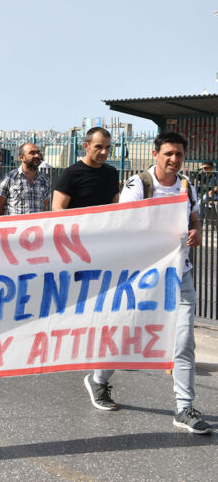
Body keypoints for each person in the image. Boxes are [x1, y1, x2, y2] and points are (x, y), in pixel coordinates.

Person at [83, 131, 211, 435]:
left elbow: (194, 218)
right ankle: (99, 379)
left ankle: (184, 407)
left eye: (179, 154)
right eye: (168, 153)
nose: (174, 159)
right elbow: (125, 225)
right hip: (142, 278)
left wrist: (196, 231)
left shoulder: (187, 185)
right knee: (127, 333)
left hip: (180, 276)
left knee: (183, 342)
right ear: (156, 155)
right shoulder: (138, 185)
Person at [52, 126, 119, 211]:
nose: (104, 152)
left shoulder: (112, 173)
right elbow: (57, 208)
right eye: (99, 147)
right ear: (86, 146)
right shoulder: (70, 174)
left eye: (107, 147)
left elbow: (115, 207)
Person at [0, 142, 51, 215]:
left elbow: (44, 207)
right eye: (32, 153)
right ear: (22, 157)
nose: (37, 156)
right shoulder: (9, 178)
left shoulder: (45, 180)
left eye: (38, 153)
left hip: (36, 225)